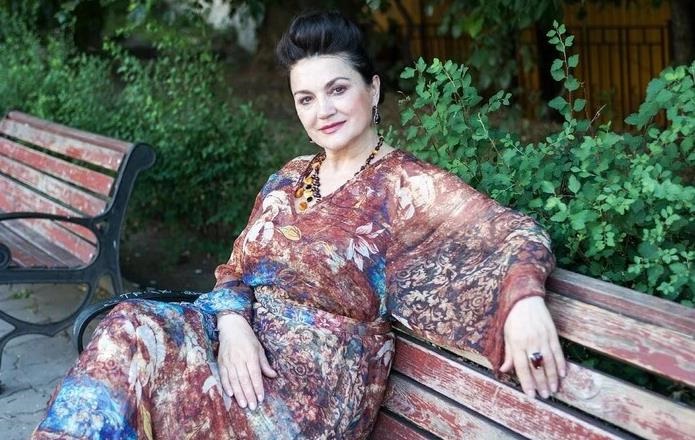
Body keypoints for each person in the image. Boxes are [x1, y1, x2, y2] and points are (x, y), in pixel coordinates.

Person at [32, 10, 566, 440]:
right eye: (306, 98)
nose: (322, 110)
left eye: (338, 90)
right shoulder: (289, 178)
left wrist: (522, 300)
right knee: (128, 329)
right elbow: (234, 273)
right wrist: (234, 326)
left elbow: (509, 233)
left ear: (373, 90)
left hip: (309, 396)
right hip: (241, 355)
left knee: (135, 359)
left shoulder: (405, 187)